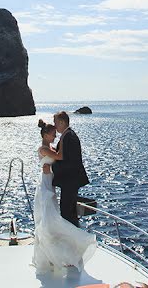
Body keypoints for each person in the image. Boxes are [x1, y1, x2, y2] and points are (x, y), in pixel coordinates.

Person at [32, 120, 95, 274]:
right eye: (53, 134)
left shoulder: (49, 147)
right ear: (46, 135)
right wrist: (64, 145)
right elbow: (60, 157)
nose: (55, 136)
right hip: (46, 184)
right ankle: (53, 253)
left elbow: (58, 156)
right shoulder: (44, 149)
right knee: (48, 218)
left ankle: (56, 252)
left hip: (50, 184)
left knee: (51, 216)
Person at [51, 110, 90, 227]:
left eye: (56, 122)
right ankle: (72, 238)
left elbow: (70, 161)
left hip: (70, 180)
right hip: (70, 180)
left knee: (68, 212)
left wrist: (53, 166)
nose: (54, 125)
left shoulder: (69, 137)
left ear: (62, 122)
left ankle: (73, 239)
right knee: (68, 211)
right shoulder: (68, 136)